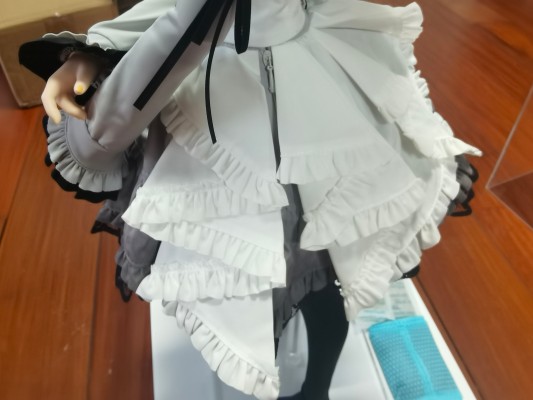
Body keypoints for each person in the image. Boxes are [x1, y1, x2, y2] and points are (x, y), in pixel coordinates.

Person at [19, 1, 480, 399]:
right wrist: (96, 51)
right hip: (216, 87)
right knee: (242, 290)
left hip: (312, 81)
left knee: (325, 283)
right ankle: (267, 378)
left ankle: (315, 389)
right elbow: (177, 12)